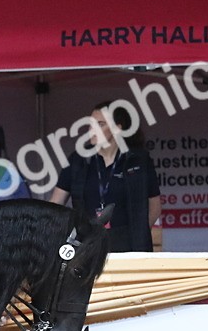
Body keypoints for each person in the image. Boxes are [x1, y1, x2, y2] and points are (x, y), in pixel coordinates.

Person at [50, 103, 161, 252]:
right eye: (90, 125)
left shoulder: (138, 160)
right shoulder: (78, 159)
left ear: (117, 128)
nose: (92, 130)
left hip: (128, 246)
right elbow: (55, 205)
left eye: (100, 124)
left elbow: (155, 206)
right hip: (87, 245)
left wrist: (138, 233)